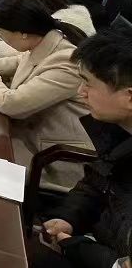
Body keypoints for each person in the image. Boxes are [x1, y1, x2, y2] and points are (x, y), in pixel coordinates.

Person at [0, 0, 91, 190]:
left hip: (50, 158)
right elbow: (21, 60)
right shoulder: (47, 41)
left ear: (23, 33)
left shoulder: (67, 63)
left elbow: (12, 104)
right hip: (28, 137)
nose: (0, 37)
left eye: (1, 32)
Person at [29, 31, 132, 268]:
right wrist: (68, 218)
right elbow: (96, 184)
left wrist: (76, 247)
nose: (80, 92)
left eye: (88, 83)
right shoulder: (118, 131)